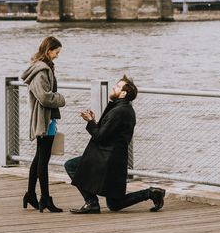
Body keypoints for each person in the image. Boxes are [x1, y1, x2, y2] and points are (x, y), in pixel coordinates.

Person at [65, 75, 165, 214]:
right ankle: (152, 193)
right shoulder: (123, 109)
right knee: (115, 204)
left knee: (71, 165)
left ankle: (91, 202)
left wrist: (90, 122)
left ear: (123, 93)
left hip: (107, 158)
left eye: (117, 86)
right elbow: (107, 132)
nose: (113, 87)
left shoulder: (119, 111)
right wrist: (93, 121)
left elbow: (100, 136)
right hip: (114, 158)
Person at [21, 35, 66, 213]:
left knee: (39, 157)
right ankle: (45, 198)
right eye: (56, 52)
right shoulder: (41, 71)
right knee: (43, 159)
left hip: (46, 118)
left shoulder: (42, 68)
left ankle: (31, 194)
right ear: (48, 51)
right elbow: (45, 97)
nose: (57, 55)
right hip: (44, 119)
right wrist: (61, 99)